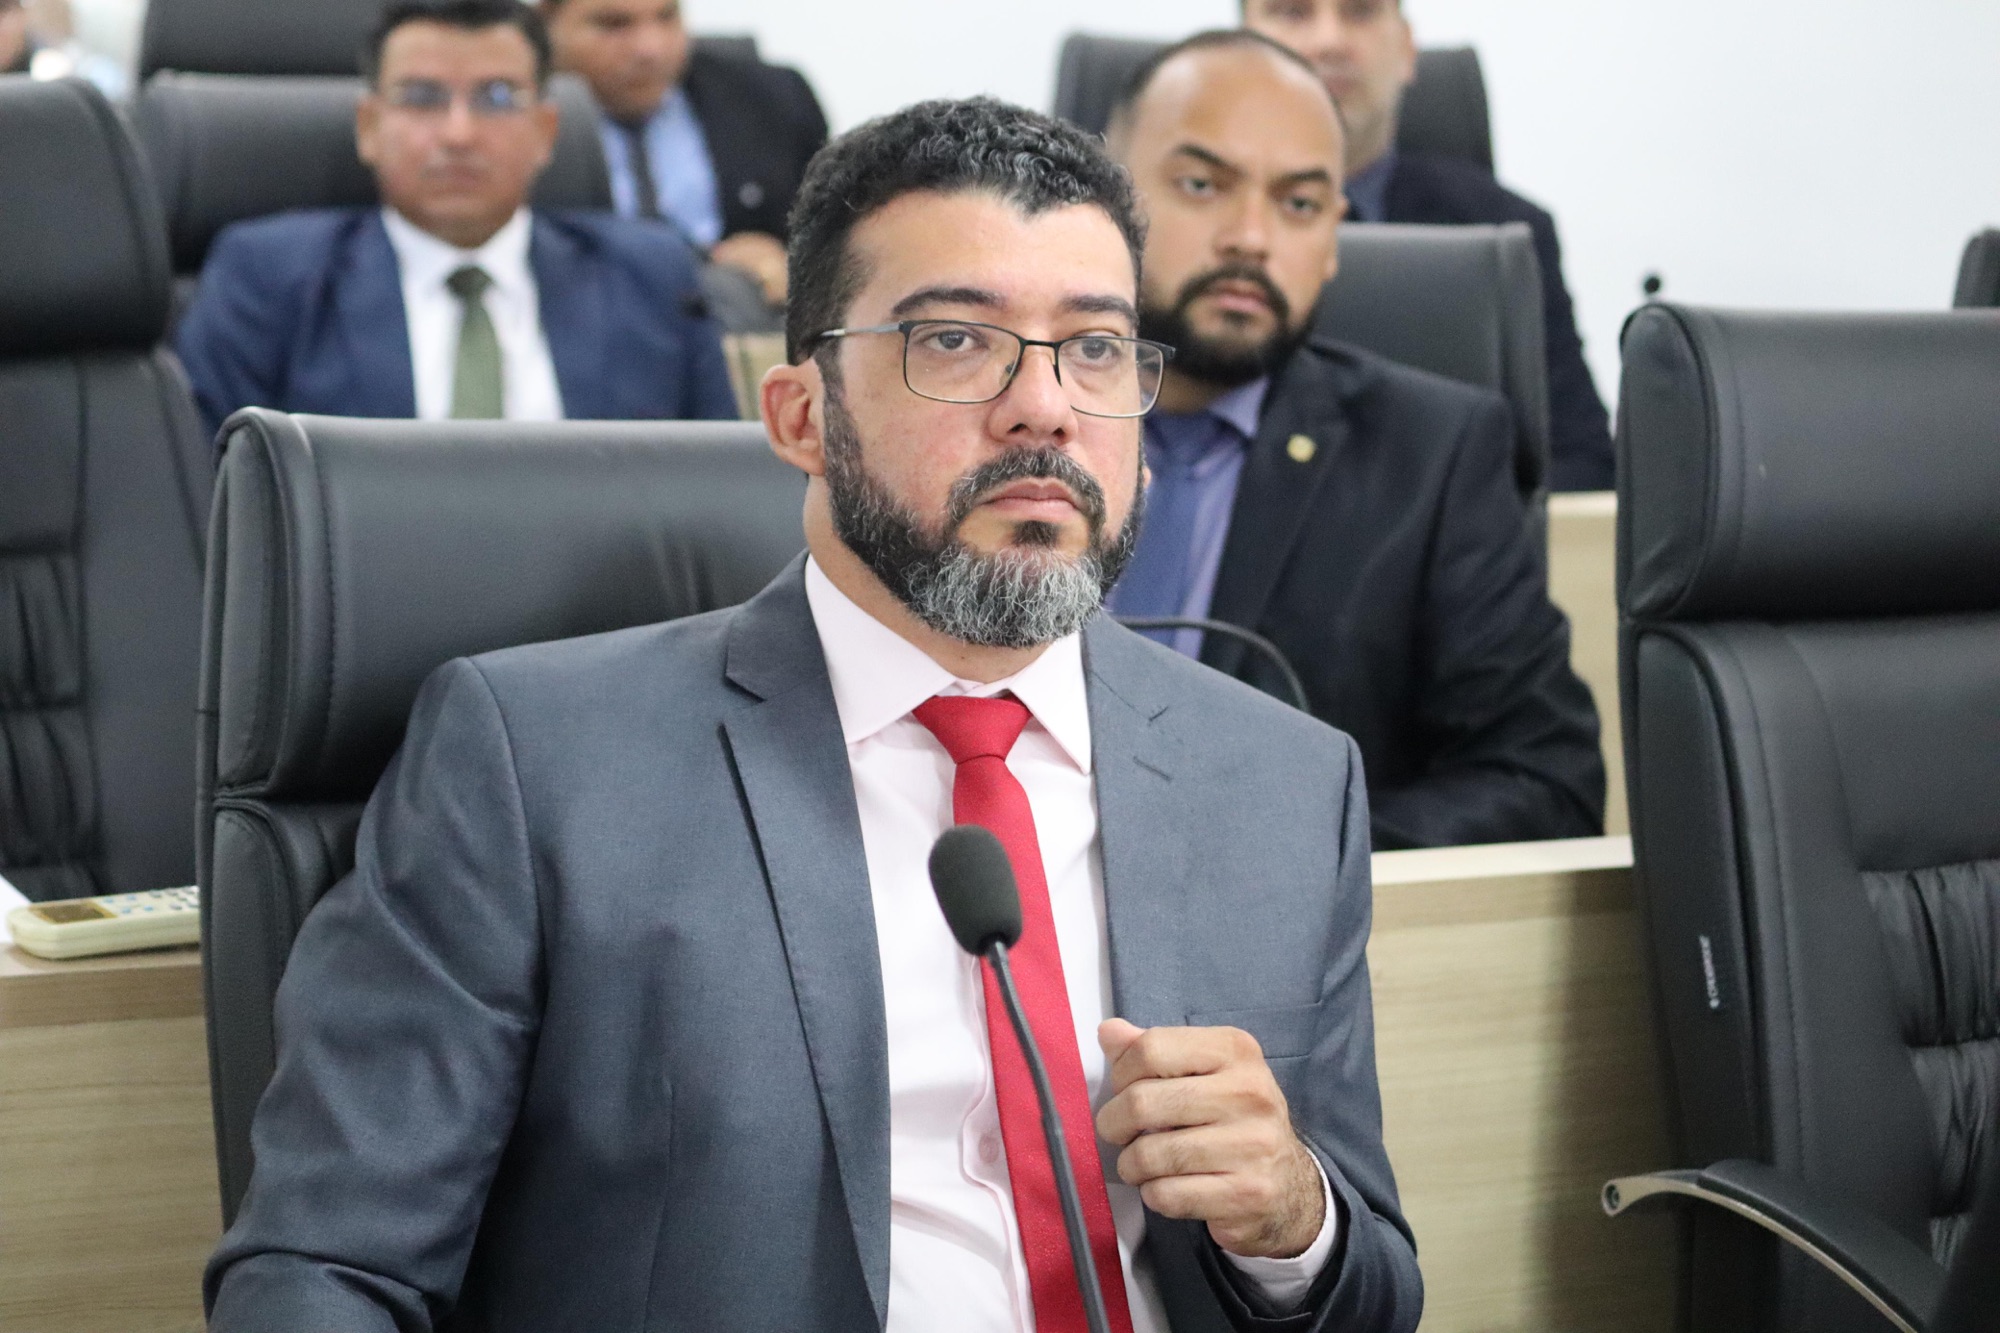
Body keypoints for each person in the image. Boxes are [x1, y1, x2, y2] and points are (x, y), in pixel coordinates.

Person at [202, 97, 1422, 1333]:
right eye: (957, 340)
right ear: (801, 417)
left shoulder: (1279, 780)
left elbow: (1374, 1294)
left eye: (1095, 348)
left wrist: (1294, 1221)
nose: (1045, 407)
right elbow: (324, 1270)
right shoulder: (535, 765)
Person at [1105, 31, 1604, 850]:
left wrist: (1298, 862)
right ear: (1106, 196)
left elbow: (1545, 783)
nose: (1251, 237)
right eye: (1201, 184)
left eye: (1299, 204)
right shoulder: (998, 415)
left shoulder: (1431, 458)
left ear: (1335, 236)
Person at [176, 0, 736, 442]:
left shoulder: (649, 276)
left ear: (546, 131)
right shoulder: (269, 277)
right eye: (422, 98)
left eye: (497, 98)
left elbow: (713, 491)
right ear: (369, 127)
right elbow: (216, 495)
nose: (458, 134)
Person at [1243, 0, 1614, 492]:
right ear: (1241, 53)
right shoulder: (1167, 233)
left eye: (1360, 12)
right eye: (1293, 12)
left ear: (1406, 49)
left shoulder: (1507, 234)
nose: (1330, 41)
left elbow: (1582, 464)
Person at [541, 0, 828, 312]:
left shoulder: (771, 98)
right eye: (614, 25)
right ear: (546, 23)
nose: (651, 48)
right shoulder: (517, 118)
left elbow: (833, 239)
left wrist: (789, 265)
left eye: (667, 17)